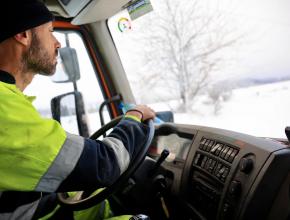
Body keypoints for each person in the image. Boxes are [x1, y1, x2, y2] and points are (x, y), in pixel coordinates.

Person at [0, 0, 155, 219]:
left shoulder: (9, 99)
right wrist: (134, 117)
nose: (57, 43)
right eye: (51, 31)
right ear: (24, 35)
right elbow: (105, 164)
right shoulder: (4, 108)